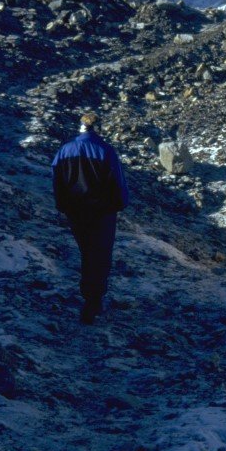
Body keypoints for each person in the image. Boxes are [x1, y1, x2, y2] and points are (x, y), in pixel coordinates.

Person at [52, 112, 129, 324]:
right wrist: (120, 204)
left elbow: (57, 181)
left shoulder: (64, 151)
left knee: (86, 252)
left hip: (76, 213)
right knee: (100, 255)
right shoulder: (105, 150)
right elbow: (118, 182)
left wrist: (63, 206)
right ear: (98, 128)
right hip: (102, 213)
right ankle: (93, 301)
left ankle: (88, 294)